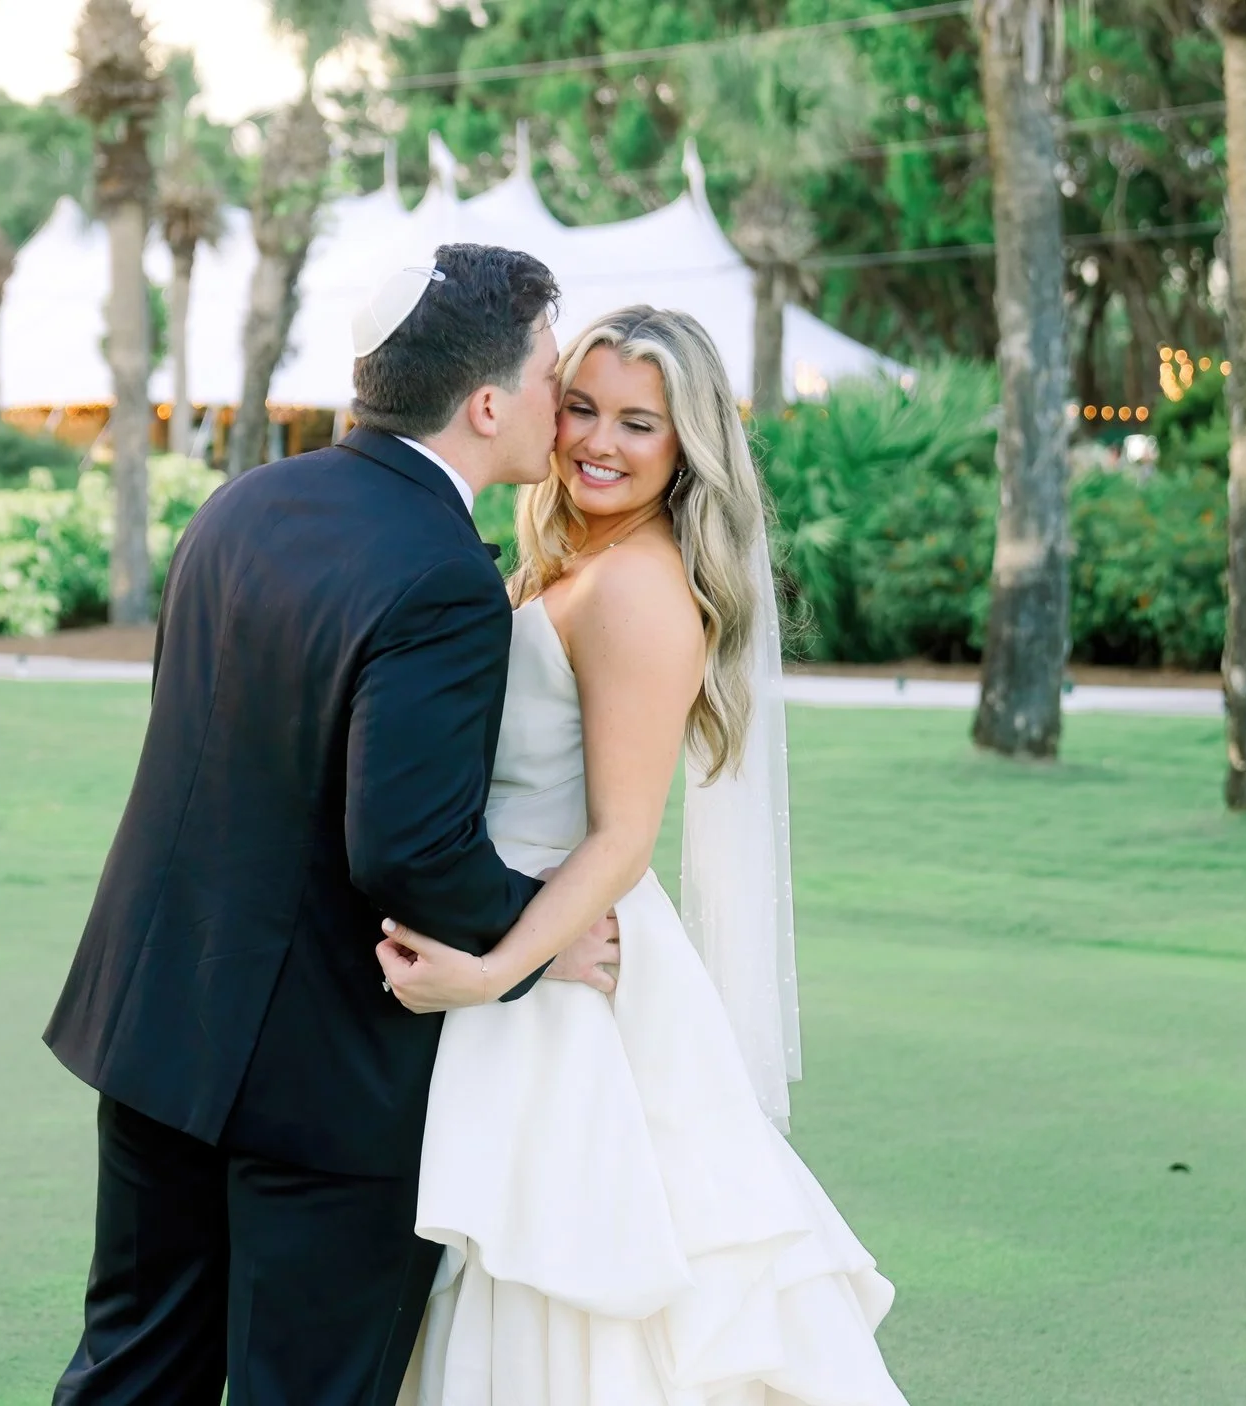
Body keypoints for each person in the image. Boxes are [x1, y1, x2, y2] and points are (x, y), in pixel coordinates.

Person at [41, 243, 621, 1405]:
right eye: (554, 379)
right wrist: (539, 937)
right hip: (323, 1078)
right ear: (489, 401)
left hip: (158, 1031)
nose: (563, 409)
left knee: (128, 1375)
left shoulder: (242, 503)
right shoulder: (444, 573)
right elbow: (405, 844)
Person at [377, 306, 907, 1403]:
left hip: (562, 966)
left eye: (639, 423)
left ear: (686, 448)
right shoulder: (573, 560)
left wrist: (493, 970)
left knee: (567, 1265)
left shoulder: (639, 586)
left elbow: (621, 835)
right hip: (518, 931)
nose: (598, 442)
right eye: (579, 407)